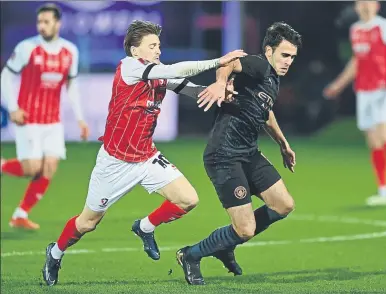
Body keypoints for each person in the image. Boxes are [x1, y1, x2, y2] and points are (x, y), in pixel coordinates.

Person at [41, 20, 246, 286]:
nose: (158, 50)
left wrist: (217, 92)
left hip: (146, 156)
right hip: (115, 162)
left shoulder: (157, 74)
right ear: (136, 51)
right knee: (88, 223)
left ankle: (145, 227)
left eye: (159, 45)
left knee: (188, 199)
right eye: (152, 46)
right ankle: (55, 253)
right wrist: (218, 61)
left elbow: (186, 87)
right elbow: (175, 69)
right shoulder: (129, 67)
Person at [175, 21, 301, 285]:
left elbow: (265, 113)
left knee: (284, 204)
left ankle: (225, 245)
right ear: (269, 50)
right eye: (285, 55)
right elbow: (229, 61)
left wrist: (283, 144)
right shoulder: (259, 65)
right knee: (245, 230)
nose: (288, 61)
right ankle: (191, 254)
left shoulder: (273, 80)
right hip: (224, 156)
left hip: (248, 153)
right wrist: (220, 83)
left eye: (292, 57)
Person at [323, 0, 386, 206]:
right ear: (356, 7)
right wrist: (338, 85)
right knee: (372, 140)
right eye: (361, 3)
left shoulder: (384, 26)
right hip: (363, 91)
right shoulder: (356, 30)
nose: (365, 6)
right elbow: (356, 62)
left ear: (377, 6)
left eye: (370, 2)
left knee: (385, 135)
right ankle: (383, 190)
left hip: (383, 89)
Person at [0, 3, 89, 230]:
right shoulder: (27, 48)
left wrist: (80, 118)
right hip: (28, 118)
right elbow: (5, 77)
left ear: (57, 23)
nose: (42, 26)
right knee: (31, 168)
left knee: (49, 167)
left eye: (47, 22)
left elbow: (72, 85)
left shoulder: (70, 51)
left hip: (53, 121)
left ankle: (20, 214)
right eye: (39, 22)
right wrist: (12, 109)